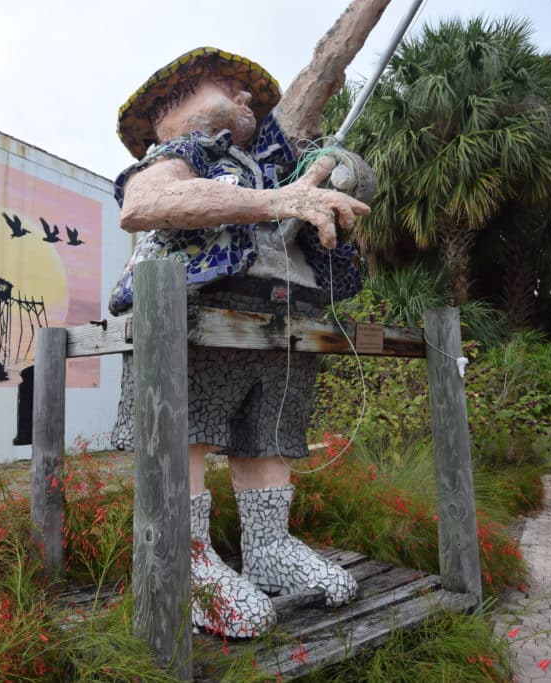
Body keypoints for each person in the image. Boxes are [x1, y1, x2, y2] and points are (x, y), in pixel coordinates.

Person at [108, 1, 391, 638]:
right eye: (226, 86)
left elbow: (325, 77)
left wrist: (334, 175)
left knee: (271, 432)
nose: (244, 95)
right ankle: (185, 560)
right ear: (170, 106)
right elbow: (144, 205)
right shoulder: (180, 156)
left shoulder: (278, 156)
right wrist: (278, 199)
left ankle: (269, 548)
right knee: (187, 431)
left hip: (283, 316)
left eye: (248, 93)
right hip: (197, 311)